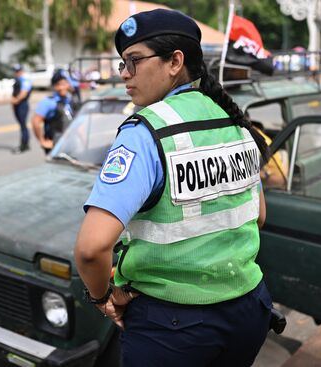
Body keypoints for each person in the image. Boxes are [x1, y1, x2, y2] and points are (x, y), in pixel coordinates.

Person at [74, 9, 272, 366]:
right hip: (249, 309)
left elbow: (91, 249)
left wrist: (103, 297)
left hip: (173, 327)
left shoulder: (145, 133)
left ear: (174, 62)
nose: (124, 74)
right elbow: (257, 217)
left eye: (134, 61)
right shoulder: (236, 123)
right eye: (122, 64)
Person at [31, 70, 73, 155]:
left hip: (70, 143)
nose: (62, 87)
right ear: (54, 86)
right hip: (55, 145)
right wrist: (42, 141)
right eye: (58, 85)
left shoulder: (69, 100)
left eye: (64, 84)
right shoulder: (48, 102)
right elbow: (35, 121)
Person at [11, 64, 32, 154]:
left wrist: (16, 100)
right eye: (15, 71)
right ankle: (24, 144)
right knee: (21, 125)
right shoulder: (17, 80)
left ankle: (24, 144)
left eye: (18, 71)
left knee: (23, 126)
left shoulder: (25, 79)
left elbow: (24, 93)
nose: (16, 73)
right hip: (17, 105)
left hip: (22, 105)